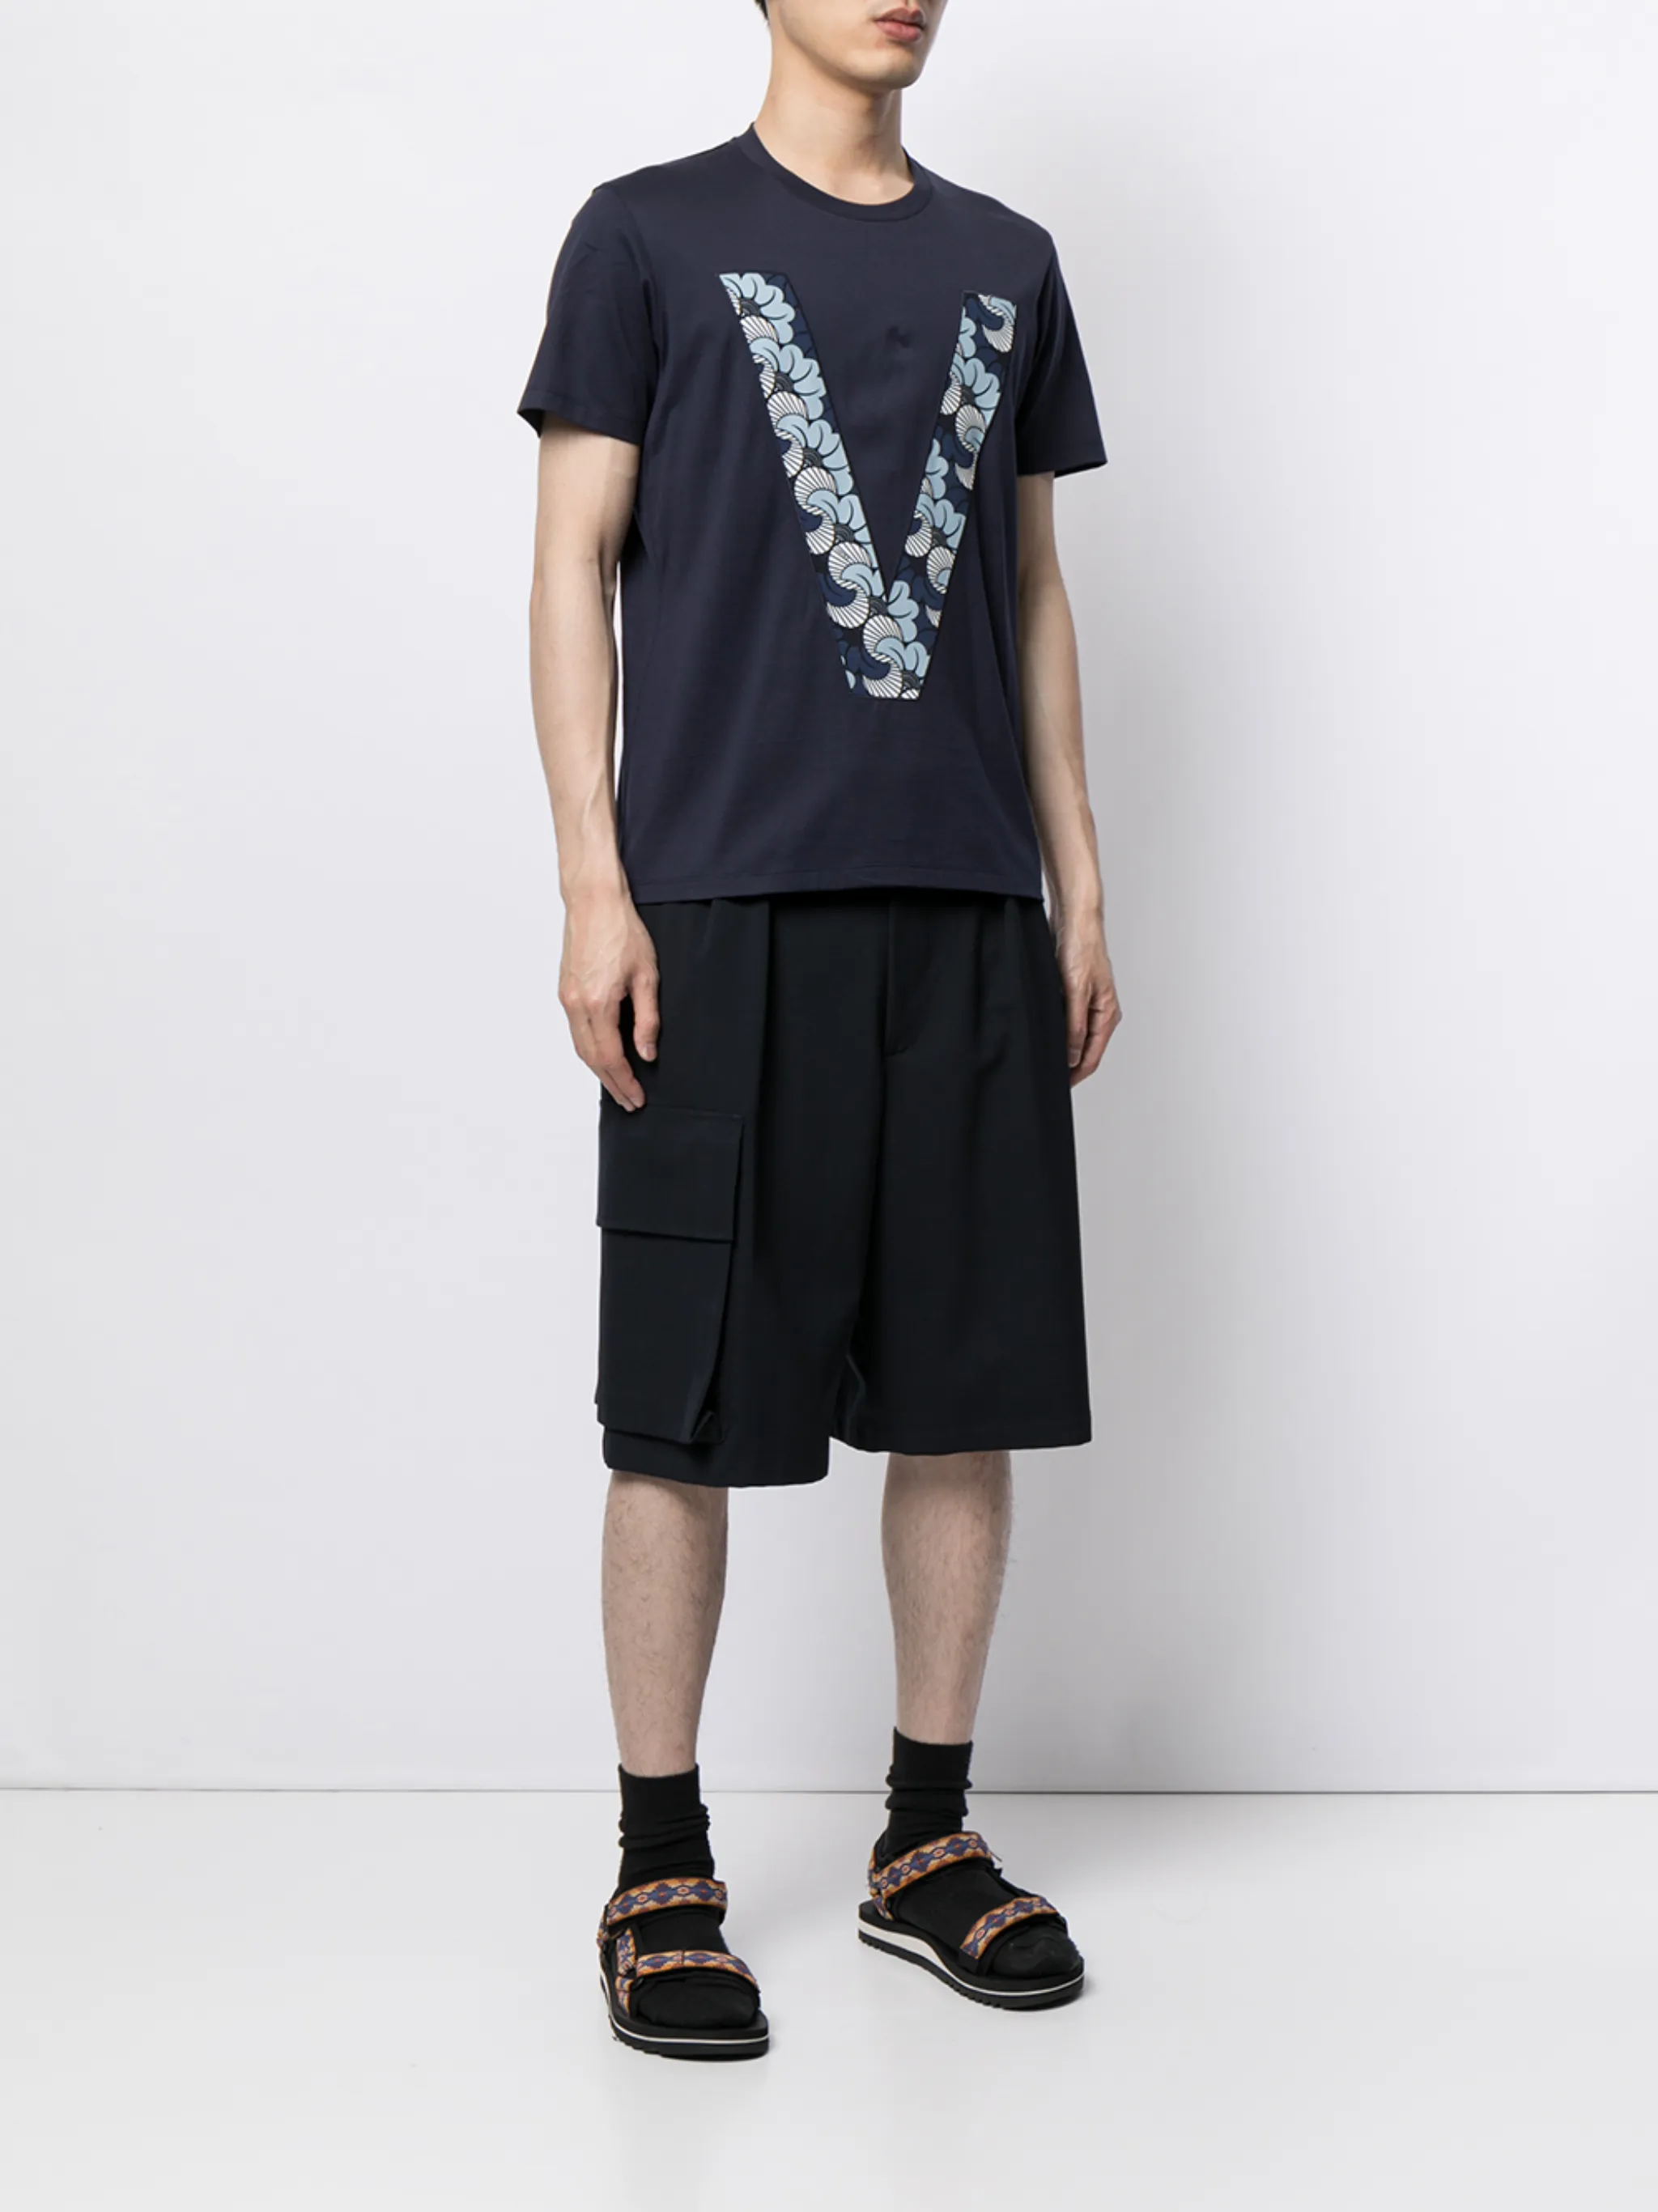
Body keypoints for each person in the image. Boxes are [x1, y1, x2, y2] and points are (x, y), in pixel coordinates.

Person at [520, 0, 1120, 2059]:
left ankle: (924, 1840)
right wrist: (593, 883)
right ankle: (658, 1865)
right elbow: (570, 560)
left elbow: (1029, 588)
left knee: (961, 1391)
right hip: (718, 904)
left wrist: (1077, 875)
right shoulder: (644, 235)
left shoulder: (1009, 259)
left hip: (963, 901)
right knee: (677, 1404)